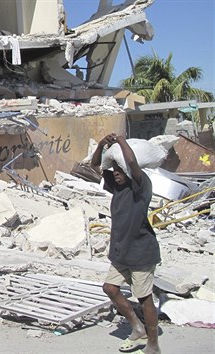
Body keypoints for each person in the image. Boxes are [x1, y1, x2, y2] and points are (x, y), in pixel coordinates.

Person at [91, 133, 161, 354]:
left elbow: (131, 162)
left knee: (144, 299)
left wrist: (121, 141)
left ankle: (153, 344)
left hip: (141, 252)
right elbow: (95, 166)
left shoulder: (140, 186)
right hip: (120, 252)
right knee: (110, 288)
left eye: (120, 171)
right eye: (115, 171)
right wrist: (102, 144)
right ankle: (137, 327)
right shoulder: (117, 186)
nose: (116, 174)